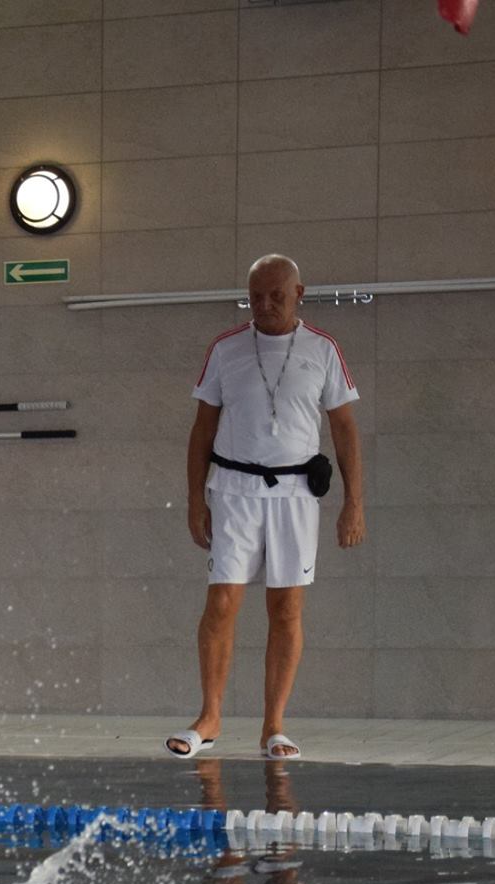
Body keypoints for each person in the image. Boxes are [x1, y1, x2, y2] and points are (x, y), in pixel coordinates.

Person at [166, 255, 365, 762]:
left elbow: (344, 428)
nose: (265, 305)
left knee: (287, 607)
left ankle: (273, 726)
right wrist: (194, 499)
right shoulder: (226, 349)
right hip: (233, 491)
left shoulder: (323, 349)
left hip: (296, 495)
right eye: (256, 296)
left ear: (299, 293)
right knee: (222, 602)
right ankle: (210, 717)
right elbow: (202, 429)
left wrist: (354, 503)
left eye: (276, 295)